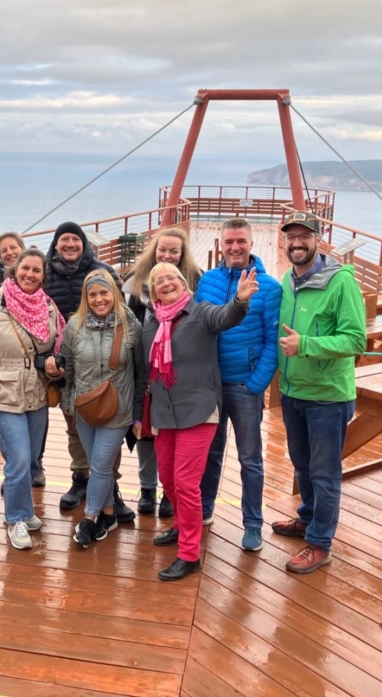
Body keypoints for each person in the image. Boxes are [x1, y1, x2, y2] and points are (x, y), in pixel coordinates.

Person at [141, 261, 257, 581]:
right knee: (168, 478)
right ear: (153, 291)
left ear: (183, 283)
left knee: (187, 483)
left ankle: (190, 554)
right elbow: (143, 370)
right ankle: (181, 525)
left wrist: (241, 300)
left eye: (171, 277)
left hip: (200, 409)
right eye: (159, 281)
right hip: (165, 413)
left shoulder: (201, 312)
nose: (166, 283)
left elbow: (227, 316)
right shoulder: (151, 323)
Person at [273, 210, 366, 574]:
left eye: (304, 236)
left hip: (328, 395)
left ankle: (320, 543)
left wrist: (307, 345)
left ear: (318, 239)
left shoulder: (341, 283)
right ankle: (308, 519)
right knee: (303, 467)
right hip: (293, 391)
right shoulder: (287, 282)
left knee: (324, 472)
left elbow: (357, 339)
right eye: (291, 237)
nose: (297, 243)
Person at [0, 248, 65, 550]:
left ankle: (26, 510)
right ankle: (16, 518)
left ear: (43, 274)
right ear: (14, 270)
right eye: (25, 269)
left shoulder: (47, 306)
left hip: (37, 392)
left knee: (31, 460)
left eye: (36, 270)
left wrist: (53, 365)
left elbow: (52, 346)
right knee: (18, 460)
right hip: (4, 393)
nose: (30, 275)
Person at [196, 218, 282, 552]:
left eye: (241, 241)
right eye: (229, 241)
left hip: (245, 385)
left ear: (251, 243)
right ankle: (204, 509)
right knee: (210, 452)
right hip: (212, 385)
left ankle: (253, 523)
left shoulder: (269, 287)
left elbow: (272, 340)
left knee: (250, 458)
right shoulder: (208, 281)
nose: (235, 247)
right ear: (221, 244)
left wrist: (256, 383)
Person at [43, 221, 133, 523]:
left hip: (107, 364)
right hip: (69, 360)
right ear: (55, 244)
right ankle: (81, 476)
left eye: (75, 239)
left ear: (84, 243)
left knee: (108, 428)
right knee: (75, 429)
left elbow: (121, 309)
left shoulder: (102, 270)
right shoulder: (45, 272)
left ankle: (111, 484)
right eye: (63, 239)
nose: (70, 244)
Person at [122, 227, 203, 519]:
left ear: (182, 256)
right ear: (153, 250)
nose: (166, 255)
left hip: (179, 371)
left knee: (172, 431)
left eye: (173, 251)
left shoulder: (195, 282)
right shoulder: (133, 283)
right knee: (145, 429)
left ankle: (170, 492)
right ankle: (146, 487)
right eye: (162, 249)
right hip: (144, 368)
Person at [60, 270, 145, 547]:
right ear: (86, 297)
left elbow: (139, 372)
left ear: (114, 293)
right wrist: (68, 406)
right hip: (85, 408)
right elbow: (68, 367)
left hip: (118, 409)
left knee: (99, 466)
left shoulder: (130, 324)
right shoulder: (75, 325)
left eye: (104, 292)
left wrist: (137, 414)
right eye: (92, 294)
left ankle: (89, 517)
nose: (99, 299)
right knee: (102, 467)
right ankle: (109, 514)